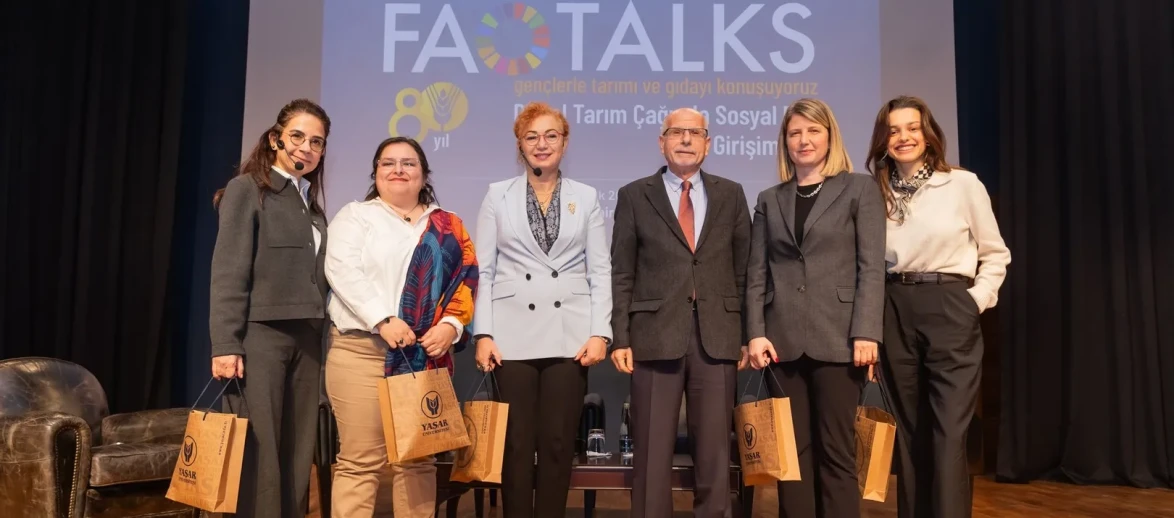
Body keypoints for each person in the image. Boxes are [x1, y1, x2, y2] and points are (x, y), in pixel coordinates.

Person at [865, 95, 1010, 518]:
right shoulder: (873, 189)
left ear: (929, 134)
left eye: (912, 127)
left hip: (950, 304)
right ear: (883, 140)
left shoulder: (963, 184)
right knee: (909, 434)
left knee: (949, 433)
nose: (903, 137)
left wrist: (974, 301)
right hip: (894, 307)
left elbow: (996, 254)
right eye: (893, 130)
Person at [745, 98, 885, 518]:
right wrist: (754, 332)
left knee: (837, 452)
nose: (803, 140)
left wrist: (867, 331)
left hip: (841, 337)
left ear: (830, 136)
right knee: (792, 459)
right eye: (794, 133)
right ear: (785, 142)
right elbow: (756, 272)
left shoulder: (859, 188)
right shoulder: (770, 198)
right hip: (781, 341)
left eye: (813, 131)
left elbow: (871, 267)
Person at [323, 136, 478, 517]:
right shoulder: (355, 216)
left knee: (418, 461)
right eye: (387, 163)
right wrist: (383, 319)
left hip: (424, 358)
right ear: (375, 172)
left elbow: (467, 278)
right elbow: (341, 271)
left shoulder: (449, 224)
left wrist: (452, 325)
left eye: (408, 163)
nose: (398, 170)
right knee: (361, 462)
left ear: (424, 174)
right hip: (362, 353)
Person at [472, 101, 612, 518]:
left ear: (564, 143)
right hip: (510, 335)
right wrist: (483, 334)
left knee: (556, 444)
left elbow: (600, 269)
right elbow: (484, 269)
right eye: (531, 136)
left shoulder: (585, 197)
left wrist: (599, 332)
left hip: (570, 333)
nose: (542, 144)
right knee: (516, 445)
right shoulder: (497, 194)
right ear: (520, 144)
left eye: (551, 135)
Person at [610, 107, 751, 518]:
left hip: (718, 337)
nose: (686, 139)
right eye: (677, 132)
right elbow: (622, 272)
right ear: (662, 142)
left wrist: (746, 333)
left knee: (714, 457)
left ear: (708, 143)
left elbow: (745, 271)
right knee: (652, 458)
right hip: (653, 336)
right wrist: (621, 336)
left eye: (695, 133)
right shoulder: (634, 195)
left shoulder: (731, 193)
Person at [208, 98, 331, 518]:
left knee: (298, 452)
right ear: (276, 138)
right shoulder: (247, 190)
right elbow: (228, 271)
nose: (306, 147)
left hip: (309, 339)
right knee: (261, 454)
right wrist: (226, 344)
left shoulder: (310, 204)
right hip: (261, 336)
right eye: (297, 136)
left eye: (317, 141)